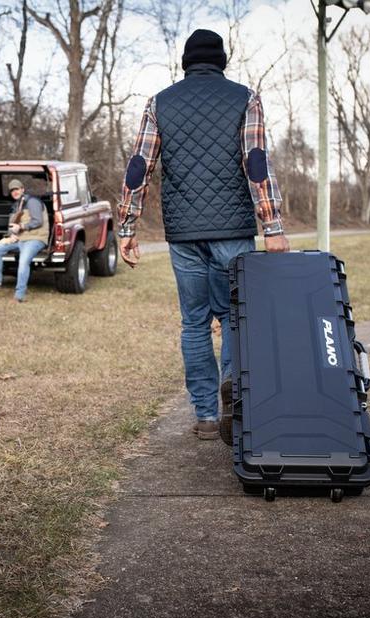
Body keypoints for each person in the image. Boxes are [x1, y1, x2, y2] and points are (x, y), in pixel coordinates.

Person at [116, 28, 290, 442]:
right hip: (233, 230)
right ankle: (237, 393)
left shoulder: (160, 102)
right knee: (234, 316)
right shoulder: (245, 97)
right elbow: (256, 162)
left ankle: (207, 416)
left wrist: (126, 227)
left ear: (186, 62)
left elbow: (139, 167)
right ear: (222, 60)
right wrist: (273, 227)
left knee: (194, 322)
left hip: (184, 234)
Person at [0, 178, 49, 303]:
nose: (14, 192)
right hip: (20, 239)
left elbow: (38, 221)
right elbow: (12, 225)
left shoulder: (32, 202)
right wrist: (11, 234)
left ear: (22, 189)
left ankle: (19, 296)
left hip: (35, 239)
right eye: (12, 191)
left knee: (23, 262)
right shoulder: (16, 205)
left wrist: (21, 227)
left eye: (16, 189)